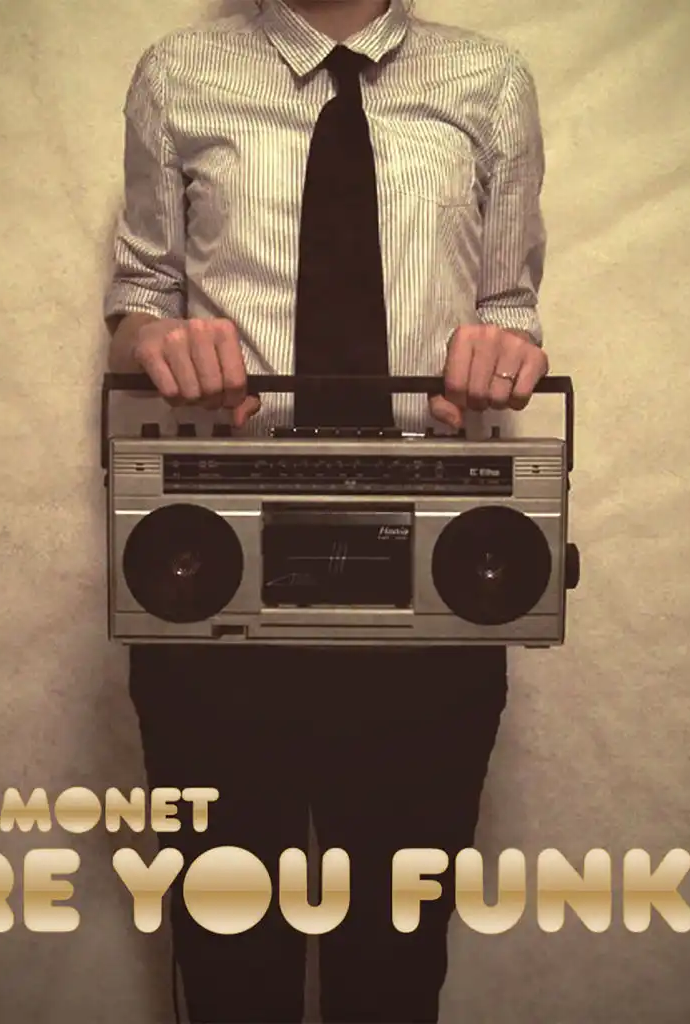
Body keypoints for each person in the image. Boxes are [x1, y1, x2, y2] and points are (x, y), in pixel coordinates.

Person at [103, 0, 549, 1020]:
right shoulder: (178, 72)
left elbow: (510, 310)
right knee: (228, 967)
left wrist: (508, 349)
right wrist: (154, 341)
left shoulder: (489, 81)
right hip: (215, 586)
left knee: (394, 968)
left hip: (429, 592)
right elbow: (139, 297)